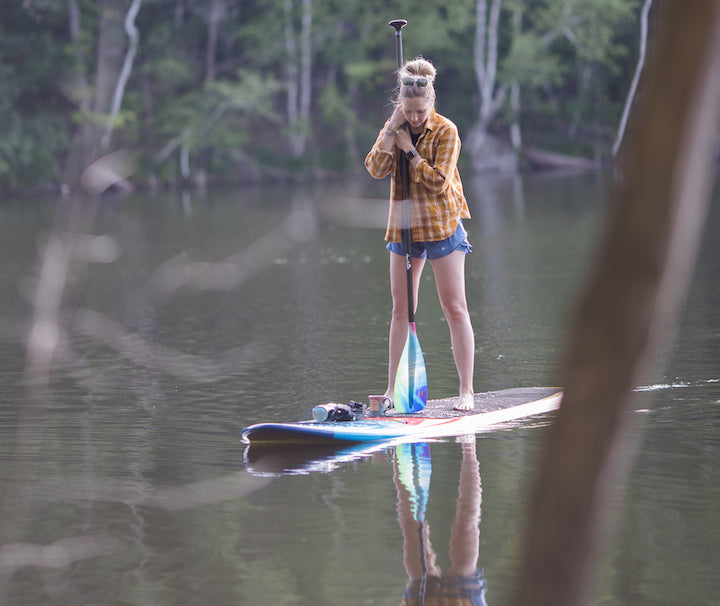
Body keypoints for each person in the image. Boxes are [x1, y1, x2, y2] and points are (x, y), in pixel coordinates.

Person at [365, 57, 476, 412]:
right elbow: (375, 169)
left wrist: (409, 150)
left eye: (419, 112)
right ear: (401, 104)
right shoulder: (395, 126)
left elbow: (438, 182)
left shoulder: (446, 131)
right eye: (408, 112)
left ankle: (466, 391)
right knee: (402, 310)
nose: (414, 119)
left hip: (442, 224)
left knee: (454, 308)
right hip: (404, 227)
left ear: (430, 103)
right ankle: (390, 390)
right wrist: (389, 134)